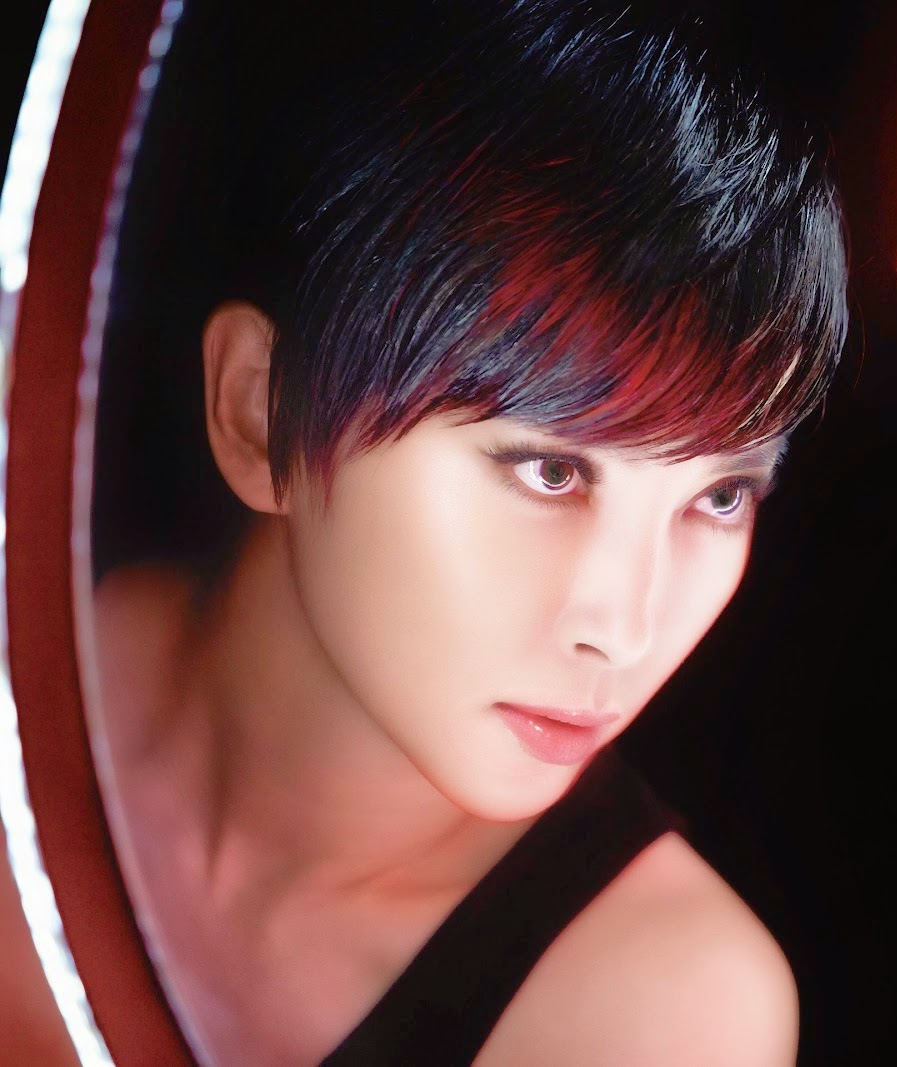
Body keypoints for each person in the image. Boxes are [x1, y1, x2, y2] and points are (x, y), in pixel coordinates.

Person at [89, 0, 847, 1063]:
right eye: (550, 470)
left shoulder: (652, 1011)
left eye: (719, 498)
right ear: (261, 411)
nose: (623, 629)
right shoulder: (34, 636)